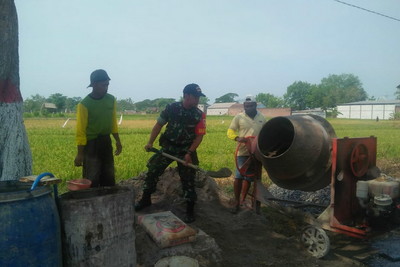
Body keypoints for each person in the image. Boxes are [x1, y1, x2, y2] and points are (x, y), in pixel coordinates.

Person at [135, 83, 206, 223]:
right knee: (153, 171)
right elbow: (158, 125)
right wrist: (150, 142)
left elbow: (199, 136)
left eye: (199, 97)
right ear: (186, 96)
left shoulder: (199, 115)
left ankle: (190, 209)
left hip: (186, 150)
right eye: (196, 97)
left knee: (188, 180)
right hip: (168, 148)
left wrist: (189, 152)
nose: (198, 100)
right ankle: (145, 199)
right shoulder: (172, 108)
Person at [74, 69, 122, 187]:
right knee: (92, 177)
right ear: (94, 85)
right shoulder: (84, 104)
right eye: (103, 85)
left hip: (106, 141)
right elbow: (81, 131)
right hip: (91, 145)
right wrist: (80, 154)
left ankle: (109, 201)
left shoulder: (111, 100)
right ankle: (93, 200)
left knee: (109, 174)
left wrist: (117, 140)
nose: (106, 88)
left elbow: (113, 122)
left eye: (107, 85)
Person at [227, 95, 266, 213]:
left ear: (255, 105)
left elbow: (265, 133)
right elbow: (230, 131)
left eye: (250, 106)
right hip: (243, 152)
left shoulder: (262, 118)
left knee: (250, 178)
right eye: (246, 106)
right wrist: (237, 138)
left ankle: (246, 201)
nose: (247, 108)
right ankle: (237, 201)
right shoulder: (239, 117)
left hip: (257, 153)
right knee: (239, 177)